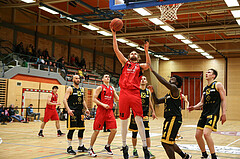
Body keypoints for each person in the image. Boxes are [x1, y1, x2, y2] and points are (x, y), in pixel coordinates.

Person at [111, 26, 151, 159]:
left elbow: (149, 65)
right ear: (129, 56)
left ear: (138, 57)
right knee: (123, 121)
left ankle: (145, 147)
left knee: (139, 120)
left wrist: (146, 50)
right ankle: (124, 146)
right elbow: (116, 49)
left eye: (135, 53)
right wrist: (114, 34)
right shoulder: (125, 63)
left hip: (135, 93)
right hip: (123, 93)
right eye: (131, 53)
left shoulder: (140, 67)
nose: (133, 54)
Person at [147, 64, 192, 159]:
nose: (171, 78)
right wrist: (153, 92)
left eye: (174, 78)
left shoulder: (175, 90)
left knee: (165, 142)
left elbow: (164, 83)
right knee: (169, 142)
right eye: (171, 77)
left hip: (174, 118)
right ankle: (184, 156)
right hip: (169, 119)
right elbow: (157, 101)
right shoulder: (169, 94)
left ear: (177, 83)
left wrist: (153, 72)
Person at [188, 69, 226, 159]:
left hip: (213, 113)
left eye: (209, 72)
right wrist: (194, 107)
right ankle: (204, 154)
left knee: (206, 134)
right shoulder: (205, 88)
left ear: (213, 76)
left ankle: (214, 156)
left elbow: (223, 99)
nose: (206, 73)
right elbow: (202, 102)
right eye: (206, 72)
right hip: (204, 113)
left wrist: (224, 113)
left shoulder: (218, 85)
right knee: (197, 135)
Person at [88, 74, 119, 157]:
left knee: (114, 130)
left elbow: (118, 99)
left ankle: (107, 146)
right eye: (106, 77)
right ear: (102, 79)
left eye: (109, 77)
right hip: (101, 110)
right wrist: (103, 104)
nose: (108, 78)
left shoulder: (112, 88)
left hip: (109, 111)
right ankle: (90, 148)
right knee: (96, 131)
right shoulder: (100, 87)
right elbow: (94, 99)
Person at [129, 76, 157, 159]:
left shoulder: (148, 91)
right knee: (134, 133)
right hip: (135, 114)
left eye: (144, 79)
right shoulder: (135, 90)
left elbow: (149, 102)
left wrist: (153, 112)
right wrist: (130, 109)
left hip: (145, 115)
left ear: (147, 81)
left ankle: (148, 150)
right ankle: (134, 150)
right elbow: (131, 100)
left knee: (147, 133)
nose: (143, 80)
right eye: (141, 79)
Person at [63, 75, 90, 155]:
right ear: (73, 80)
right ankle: (69, 147)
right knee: (72, 129)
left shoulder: (81, 89)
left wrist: (87, 109)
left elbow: (83, 100)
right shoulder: (70, 88)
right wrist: (68, 110)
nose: (78, 80)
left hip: (80, 112)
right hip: (73, 112)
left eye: (79, 78)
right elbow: (65, 100)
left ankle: (80, 146)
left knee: (82, 129)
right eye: (76, 78)